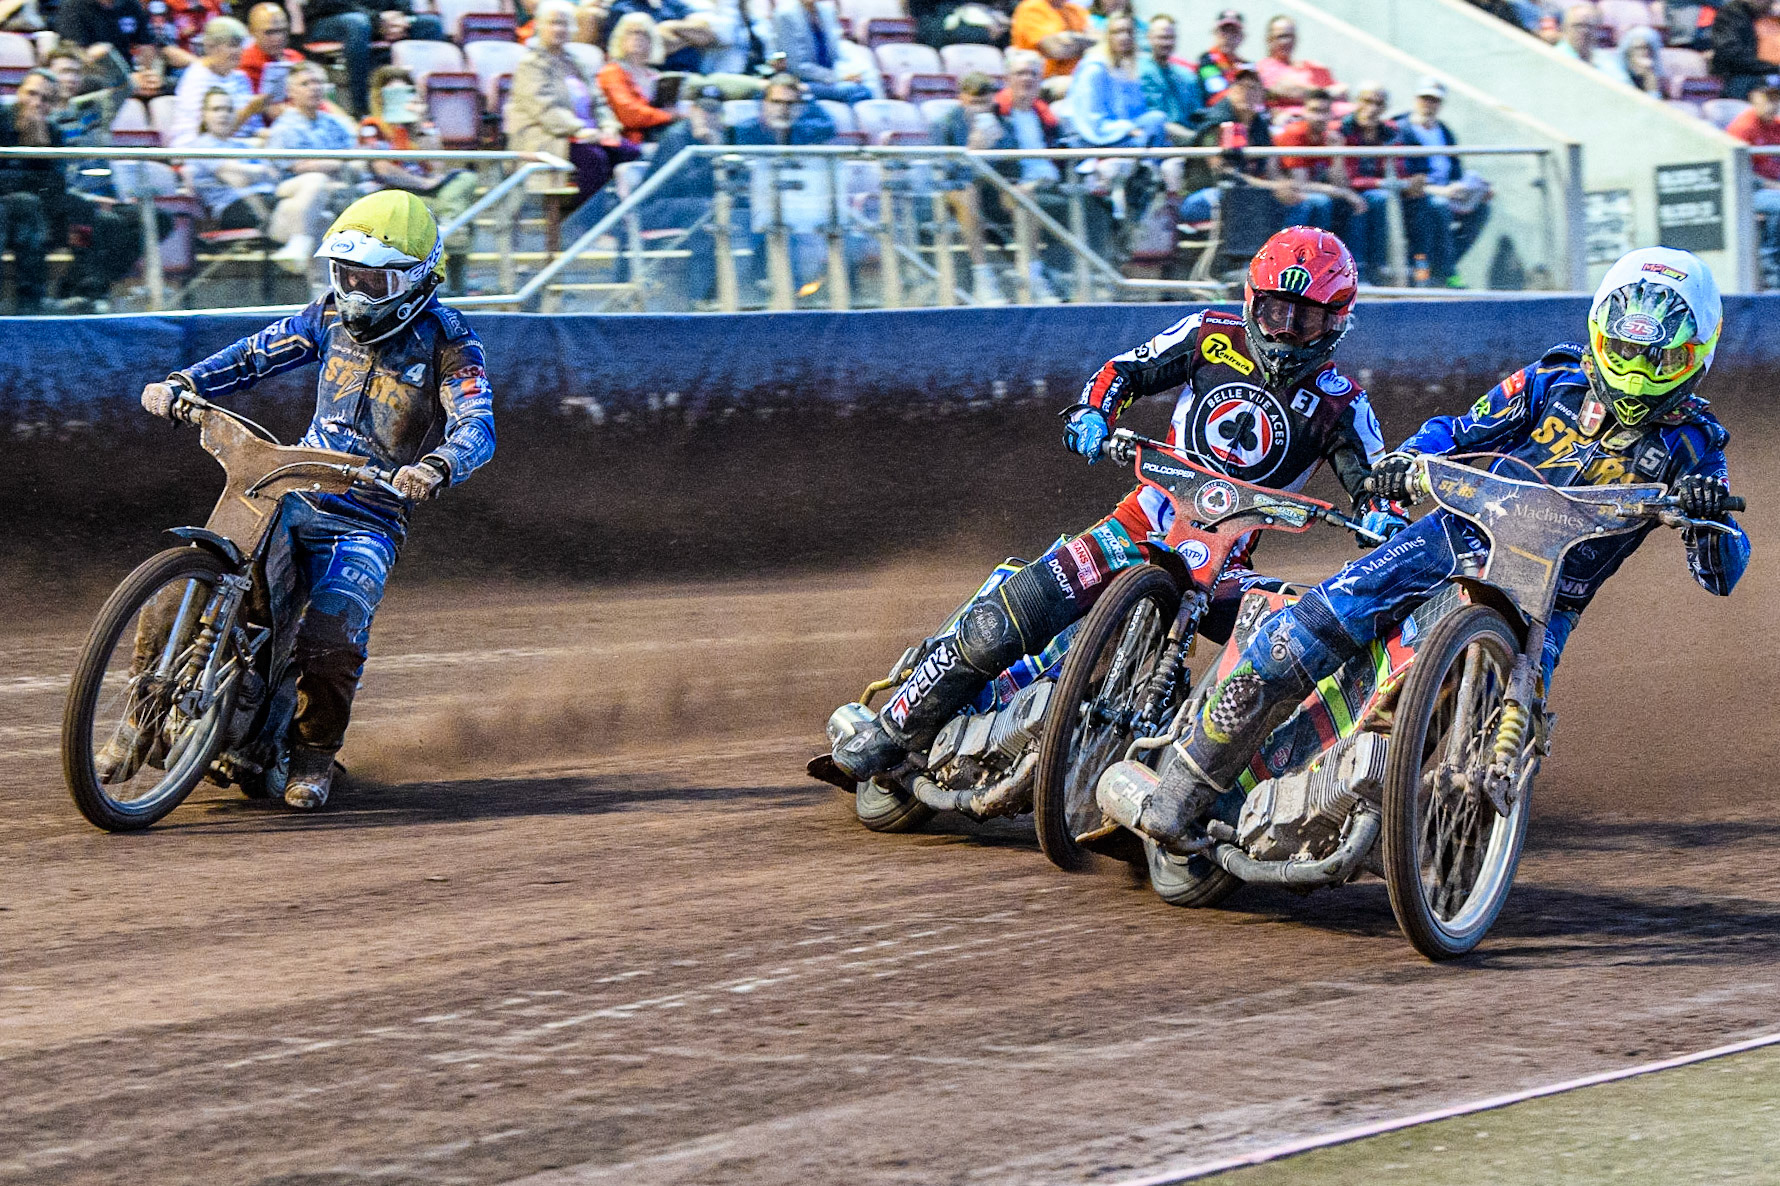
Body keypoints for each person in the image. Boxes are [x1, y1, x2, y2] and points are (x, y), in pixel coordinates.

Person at [1097, 247, 1750, 849]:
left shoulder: (1697, 446)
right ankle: (1176, 798)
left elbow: (1721, 570)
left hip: (1542, 599)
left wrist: (1705, 518)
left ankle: (1360, 821)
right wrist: (1408, 461)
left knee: (1442, 722)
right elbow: (1459, 430)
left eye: (1657, 361)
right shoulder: (1552, 383)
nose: (1635, 374)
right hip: (1446, 539)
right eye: (1624, 351)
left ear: (1696, 357)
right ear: (1600, 336)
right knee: (1298, 639)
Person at [830, 228, 1397, 783]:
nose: (1289, 331)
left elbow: (1376, 482)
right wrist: (1092, 413)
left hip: (1226, 566)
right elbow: (1124, 369)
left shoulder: (1344, 404)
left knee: (1296, 637)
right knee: (1014, 608)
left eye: (1308, 318)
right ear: (1253, 301)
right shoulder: (1208, 332)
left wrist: (1380, 516)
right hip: (1140, 521)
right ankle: (893, 726)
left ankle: (1204, 790)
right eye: (1277, 312)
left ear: (1338, 320)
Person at [128, 191, 496, 811]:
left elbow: (477, 427)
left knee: (332, 632)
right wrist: (184, 383)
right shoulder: (324, 316)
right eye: (345, 275)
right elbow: (251, 356)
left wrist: (434, 467)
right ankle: (143, 705)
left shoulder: (451, 344)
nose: (353, 292)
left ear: (414, 280)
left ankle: (313, 758)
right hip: (293, 484)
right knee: (190, 580)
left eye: (370, 280)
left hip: (371, 514)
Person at [359, 65, 479, 292]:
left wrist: (418, 126)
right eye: (392, 94)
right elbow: (383, 169)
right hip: (393, 193)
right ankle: (451, 233)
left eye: (405, 93)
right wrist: (422, 183)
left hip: (429, 190)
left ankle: (448, 229)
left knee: (466, 179)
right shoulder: (371, 126)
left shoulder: (423, 125)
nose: (400, 100)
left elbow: (436, 165)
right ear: (380, 97)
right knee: (458, 215)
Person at [508, 0, 636, 210]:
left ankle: (626, 222)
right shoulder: (530, 64)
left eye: (565, 23)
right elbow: (545, 109)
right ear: (540, 26)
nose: (559, 29)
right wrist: (581, 130)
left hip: (588, 135)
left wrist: (609, 127)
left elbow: (599, 102)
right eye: (553, 23)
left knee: (629, 152)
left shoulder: (576, 62)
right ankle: (584, 223)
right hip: (549, 136)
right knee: (594, 158)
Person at [1175, 66, 1332, 236]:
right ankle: (1267, 256)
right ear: (1231, 90)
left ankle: (1296, 255)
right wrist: (1271, 187)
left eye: (1253, 88)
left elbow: (1272, 170)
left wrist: (1285, 187)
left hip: (1246, 191)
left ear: (1262, 95)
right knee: (1246, 198)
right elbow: (1225, 175)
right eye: (1241, 86)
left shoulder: (1260, 126)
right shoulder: (1217, 123)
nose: (1246, 92)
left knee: (1305, 202)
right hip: (1204, 196)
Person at [1395, 77, 1491, 287]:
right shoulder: (1401, 130)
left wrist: (1470, 187)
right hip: (1416, 196)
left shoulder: (1444, 131)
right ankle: (1446, 272)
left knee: (1482, 208)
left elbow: (1455, 169)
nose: (1428, 104)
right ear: (1416, 99)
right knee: (1437, 207)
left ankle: (1443, 267)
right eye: (1425, 98)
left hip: (1446, 193)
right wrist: (1441, 191)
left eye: (1434, 100)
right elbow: (1405, 177)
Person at [264, 61, 358, 269]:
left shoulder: (334, 124)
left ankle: (316, 283)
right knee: (316, 180)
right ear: (291, 91)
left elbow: (357, 159)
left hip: (329, 194)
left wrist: (338, 164)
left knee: (323, 217)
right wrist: (337, 163)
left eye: (318, 82)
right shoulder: (284, 126)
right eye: (306, 83)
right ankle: (300, 245)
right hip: (291, 189)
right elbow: (298, 167)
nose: (314, 88)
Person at [1274, 88, 1370, 276]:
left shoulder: (1331, 137)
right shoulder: (1295, 134)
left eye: (1324, 112)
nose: (1319, 117)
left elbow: (1340, 183)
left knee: (1357, 206)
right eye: (1314, 111)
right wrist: (1345, 194)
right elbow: (1300, 184)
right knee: (1321, 202)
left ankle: (1356, 270)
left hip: (1315, 194)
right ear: (1305, 112)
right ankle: (1310, 267)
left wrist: (1337, 154)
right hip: (1282, 195)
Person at [301, 0, 449, 115]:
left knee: (431, 25)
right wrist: (377, 19)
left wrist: (399, 18)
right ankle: (362, 111)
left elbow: (403, 6)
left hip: (379, 22)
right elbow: (331, 4)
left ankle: (426, 112)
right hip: (330, 20)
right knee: (358, 23)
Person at [1066, 13, 1166, 148]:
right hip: (1099, 137)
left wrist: (1132, 128)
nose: (1124, 37)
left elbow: (1137, 113)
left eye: (1129, 32)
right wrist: (1127, 129)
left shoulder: (1127, 68)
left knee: (1157, 119)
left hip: (1126, 131)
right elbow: (1092, 119)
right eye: (1117, 32)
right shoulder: (1094, 69)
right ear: (1107, 36)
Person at [168, 16, 263, 147]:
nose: (239, 51)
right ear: (211, 47)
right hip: (199, 146)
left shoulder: (240, 77)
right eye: (233, 45)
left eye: (240, 45)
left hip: (238, 144)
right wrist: (249, 110)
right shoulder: (197, 77)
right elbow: (210, 130)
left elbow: (254, 128)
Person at [599, 11, 683, 140]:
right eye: (630, 33)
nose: (636, 37)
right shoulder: (612, 72)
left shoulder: (656, 75)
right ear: (620, 38)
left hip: (659, 134)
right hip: (631, 139)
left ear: (652, 40)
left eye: (643, 33)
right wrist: (669, 115)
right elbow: (629, 115)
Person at [1727, 83, 1780, 287]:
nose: (1773, 105)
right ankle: (1771, 267)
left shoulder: (1775, 125)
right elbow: (1740, 174)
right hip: (1748, 192)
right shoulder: (1743, 127)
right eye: (1769, 100)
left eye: (1776, 99)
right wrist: (1773, 186)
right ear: (1755, 99)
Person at [773, 0, 871, 102]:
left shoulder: (828, 11)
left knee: (866, 82)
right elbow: (797, 66)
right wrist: (838, 77)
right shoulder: (785, 15)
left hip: (831, 79)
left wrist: (849, 73)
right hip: (803, 82)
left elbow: (837, 52)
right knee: (857, 91)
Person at [1138, 13, 1204, 144]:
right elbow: (1153, 119)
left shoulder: (1187, 76)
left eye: (1171, 37)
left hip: (1189, 142)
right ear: (1149, 37)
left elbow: (1198, 115)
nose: (1167, 43)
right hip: (1158, 144)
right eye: (1162, 37)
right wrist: (1194, 139)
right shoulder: (1139, 72)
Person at [1254, 14, 1345, 107]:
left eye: (1291, 36)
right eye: (1282, 36)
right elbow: (1291, 91)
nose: (1287, 41)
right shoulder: (1264, 67)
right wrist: (1328, 93)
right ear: (1269, 39)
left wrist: (1320, 94)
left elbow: (1343, 90)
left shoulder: (1310, 65)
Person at [241, 1, 303, 113]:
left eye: (282, 30)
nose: (278, 38)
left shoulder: (296, 57)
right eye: (269, 32)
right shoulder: (245, 64)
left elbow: (323, 103)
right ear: (252, 32)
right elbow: (268, 111)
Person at [1711, 0, 1780, 100]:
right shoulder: (1731, 13)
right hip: (1740, 76)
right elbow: (1732, 56)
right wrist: (1774, 68)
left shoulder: (1772, 16)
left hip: (1769, 73)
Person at [1010, 0, 1093, 79]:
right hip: (1038, 81)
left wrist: (1072, 41)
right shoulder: (1032, 8)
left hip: (1075, 77)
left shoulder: (1076, 10)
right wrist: (1086, 44)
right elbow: (1057, 49)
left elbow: (1100, 42)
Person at [1196, 8, 1247, 102]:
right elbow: (1217, 93)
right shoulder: (1206, 60)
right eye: (1224, 31)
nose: (1228, 36)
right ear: (1215, 33)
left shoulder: (1247, 65)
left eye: (1233, 31)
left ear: (1242, 36)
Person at [1601, 25, 1667, 95]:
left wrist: (1650, 78)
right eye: (1638, 48)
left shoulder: (1654, 73)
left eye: (1648, 48)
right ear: (1627, 52)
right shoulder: (1615, 73)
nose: (1644, 53)